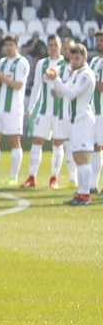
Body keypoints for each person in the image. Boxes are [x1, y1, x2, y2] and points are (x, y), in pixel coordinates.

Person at [49, 40, 98, 206]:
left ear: (85, 57)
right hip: (75, 119)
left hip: (83, 119)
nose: (74, 62)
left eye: (77, 58)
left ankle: (85, 195)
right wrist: (56, 82)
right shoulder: (76, 73)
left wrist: (56, 80)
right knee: (77, 156)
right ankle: (81, 193)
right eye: (71, 58)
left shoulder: (86, 74)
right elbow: (62, 93)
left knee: (82, 156)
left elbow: (71, 93)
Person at [24, 34, 69, 190]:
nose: (52, 48)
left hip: (60, 112)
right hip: (44, 111)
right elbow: (36, 87)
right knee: (37, 141)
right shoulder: (42, 64)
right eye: (50, 45)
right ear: (47, 47)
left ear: (60, 45)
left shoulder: (66, 64)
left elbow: (69, 87)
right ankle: (32, 177)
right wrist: (31, 108)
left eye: (55, 44)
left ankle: (54, 179)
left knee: (57, 144)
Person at [0, 35, 30, 186]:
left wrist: (0, 77)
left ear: (17, 45)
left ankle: (13, 176)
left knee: (13, 141)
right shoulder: (2, 62)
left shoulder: (22, 62)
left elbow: (18, 85)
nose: (8, 47)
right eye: (6, 45)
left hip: (14, 108)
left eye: (11, 44)